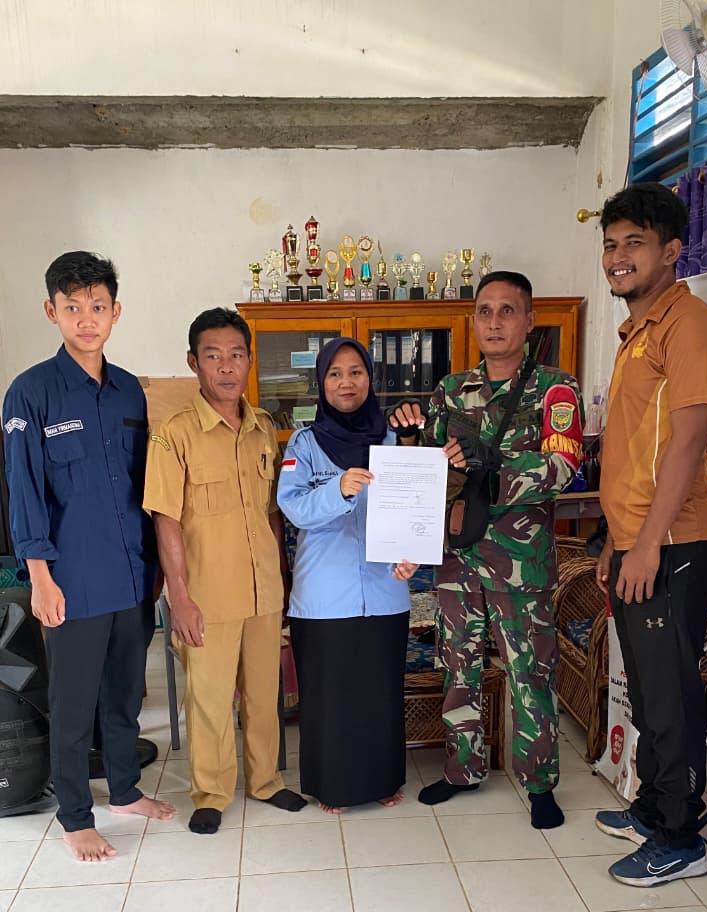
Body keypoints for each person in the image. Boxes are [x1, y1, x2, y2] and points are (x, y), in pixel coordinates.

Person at [390, 271, 584, 828]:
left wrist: (491, 465)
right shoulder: (451, 390)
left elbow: (562, 467)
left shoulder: (555, 388)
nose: (494, 322)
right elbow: (426, 469)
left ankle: (539, 782)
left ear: (529, 321)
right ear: (474, 321)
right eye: (485, 311)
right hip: (458, 555)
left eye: (507, 310)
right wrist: (408, 433)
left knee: (530, 671)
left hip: (521, 562)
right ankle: (463, 769)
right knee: (458, 664)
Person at [2, 250, 175, 862]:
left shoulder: (128, 390)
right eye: (72, 306)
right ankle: (75, 815)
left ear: (115, 312)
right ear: (51, 311)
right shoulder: (30, 393)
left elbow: (145, 485)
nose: (86, 318)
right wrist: (40, 576)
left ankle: (124, 790)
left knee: (125, 694)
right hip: (70, 579)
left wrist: (157, 566)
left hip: (132, 575)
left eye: (97, 306)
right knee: (73, 704)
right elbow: (23, 491)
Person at [594, 182, 707, 886]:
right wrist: (617, 542)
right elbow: (635, 452)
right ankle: (652, 806)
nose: (618, 256)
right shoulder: (637, 334)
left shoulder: (690, 324)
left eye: (634, 243)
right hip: (639, 541)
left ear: (672, 250)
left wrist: (646, 544)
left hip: (675, 543)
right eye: (611, 244)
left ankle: (680, 837)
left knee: (670, 696)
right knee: (645, 690)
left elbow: (689, 441)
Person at [143, 307, 305, 834]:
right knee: (210, 700)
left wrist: (282, 578)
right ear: (194, 363)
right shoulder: (175, 433)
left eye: (236, 354)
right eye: (213, 356)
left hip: (263, 590)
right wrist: (180, 597)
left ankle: (266, 781)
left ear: (250, 361)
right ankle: (211, 792)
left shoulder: (263, 429)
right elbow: (166, 520)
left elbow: (272, 513)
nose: (227, 366)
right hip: (207, 593)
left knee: (264, 695)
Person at [277, 338, 415, 813]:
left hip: (385, 591)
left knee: (380, 693)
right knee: (329, 699)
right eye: (335, 374)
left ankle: (382, 781)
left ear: (370, 379)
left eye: (356, 372)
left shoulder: (393, 441)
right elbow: (294, 507)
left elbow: (410, 511)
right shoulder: (304, 444)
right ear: (321, 382)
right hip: (324, 595)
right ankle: (331, 787)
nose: (346, 382)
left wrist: (411, 556)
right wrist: (338, 487)